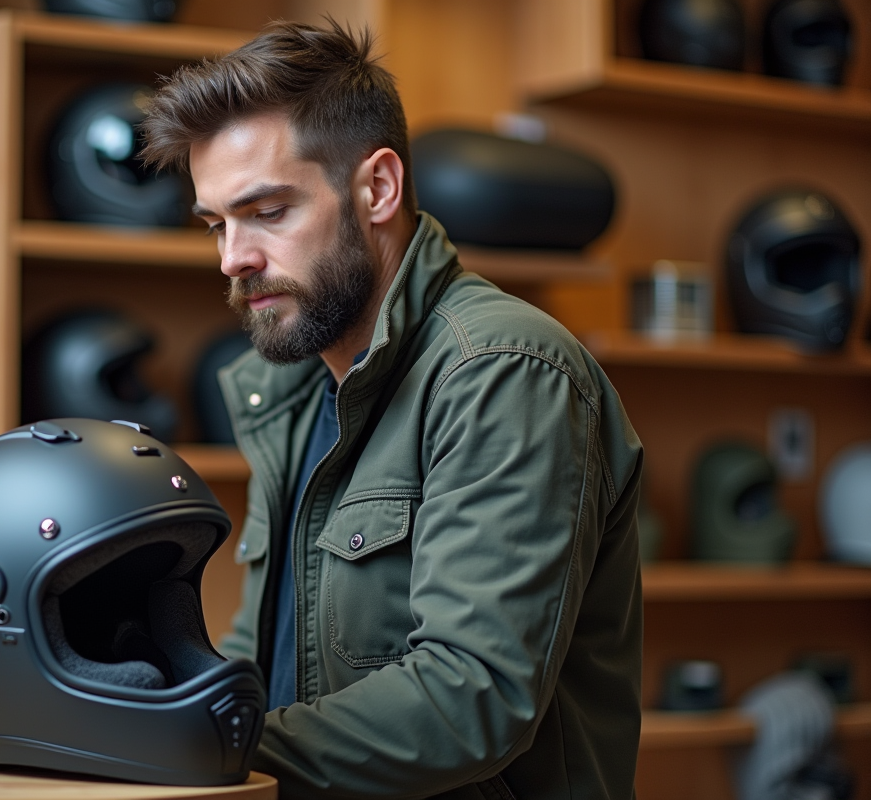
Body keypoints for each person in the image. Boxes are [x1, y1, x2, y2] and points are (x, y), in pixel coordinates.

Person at [141, 19, 643, 800]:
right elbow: (270, 653)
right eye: (217, 223)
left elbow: (471, 695)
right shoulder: (295, 389)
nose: (231, 258)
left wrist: (211, 745)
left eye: (267, 212)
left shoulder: (503, 374)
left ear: (377, 189)